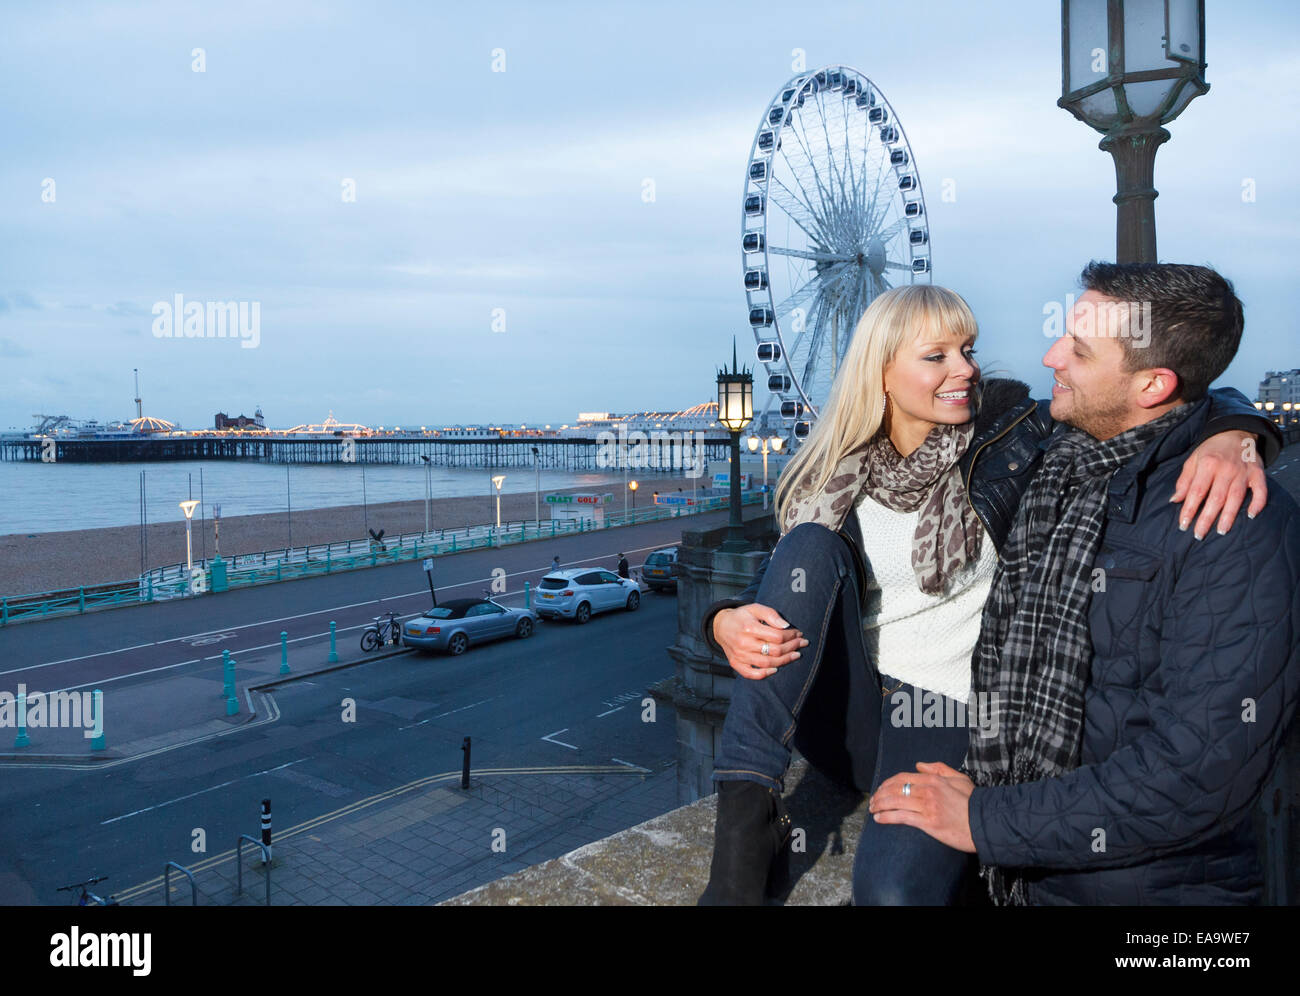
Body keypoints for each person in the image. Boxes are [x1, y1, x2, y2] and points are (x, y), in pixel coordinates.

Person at [697, 280, 1279, 906]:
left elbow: (1169, 393)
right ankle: (744, 824)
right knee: (811, 544)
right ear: (882, 371)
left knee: (893, 891)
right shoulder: (830, 471)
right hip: (848, 709)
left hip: (944, 711)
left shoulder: (1013, 439)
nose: (965, 370)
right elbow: (788, 583)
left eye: (968, 350)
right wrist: (724, 619)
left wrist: (1238, 433)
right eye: (937, 355)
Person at [868, 263, 1299, 905]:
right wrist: (1236, 426)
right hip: (1021, 882)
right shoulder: (1050, 454)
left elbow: (1202, 770)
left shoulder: (1231, 523)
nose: (1050, 356)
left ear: (1153, 384)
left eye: (1078, 348)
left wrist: (985, 820)